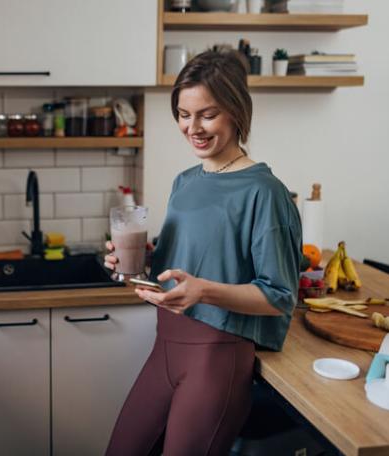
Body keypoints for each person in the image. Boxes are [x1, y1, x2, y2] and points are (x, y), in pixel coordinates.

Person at [103, 50, 302, 456]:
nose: (192, 127)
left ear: (235, 111)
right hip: (165, 348)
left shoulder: (265, 192)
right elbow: (181, 263)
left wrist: (203, 291)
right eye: (183, 114)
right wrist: (134, 265)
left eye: (207, 114)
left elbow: (279, 296)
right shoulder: (184, 181)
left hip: (217, 358)